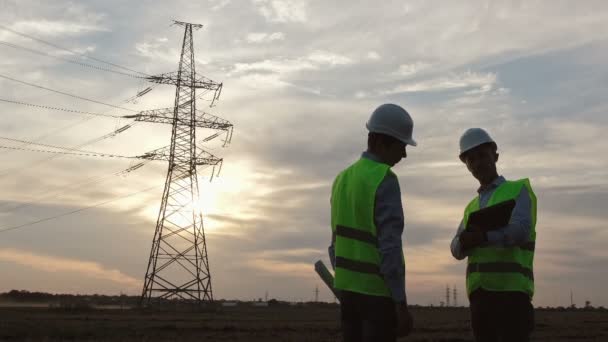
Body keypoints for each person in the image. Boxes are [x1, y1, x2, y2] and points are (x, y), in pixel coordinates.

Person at [329, 103, 415, 342]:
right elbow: (390, 248)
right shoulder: (385, 179)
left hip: (347, 294)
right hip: (377, 297)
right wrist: (400, 303)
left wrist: (346, 282)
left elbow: (334, 245)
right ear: (380, 142)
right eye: (401, 145)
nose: (404, 154)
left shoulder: (341, 179)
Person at [450, 128, 537, 342]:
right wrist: (463, 242)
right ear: (467, 165)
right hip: (480, 298)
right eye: (471, 159)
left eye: (482, 155)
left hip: (512, 296)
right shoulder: (471, 207)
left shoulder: (518, 190)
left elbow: (522, 231)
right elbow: (455, 249)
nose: (478, 163)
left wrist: (484, 238)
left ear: (495, 156)